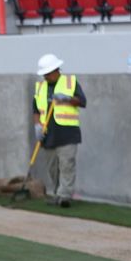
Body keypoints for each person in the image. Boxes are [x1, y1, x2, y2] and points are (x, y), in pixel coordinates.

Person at [33, 53, 87, 208]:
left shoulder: (70, 82)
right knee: (53, 168)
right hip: (48, 135)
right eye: (44, 74)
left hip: (68, 134)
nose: (45, 77)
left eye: (47, 74)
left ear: (56, 70)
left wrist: (67, 98)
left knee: (67, 165)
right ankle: (58, 193)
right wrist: (37, 126)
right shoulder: (40, 87)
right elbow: (35, 110)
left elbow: (83, 102)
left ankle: (65, 196)